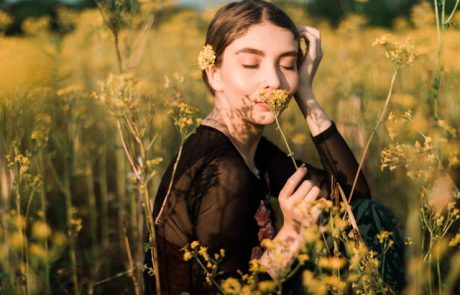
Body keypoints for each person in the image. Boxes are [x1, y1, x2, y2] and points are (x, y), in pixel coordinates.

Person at [144, 0, 404, 294]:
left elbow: (353, 199)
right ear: (214, 73)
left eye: (287, 64)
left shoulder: (253, 149)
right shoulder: (223, 171)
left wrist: (305, 93)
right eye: (251, 64)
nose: (274, 80)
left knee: (374, 219)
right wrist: (292, 234)